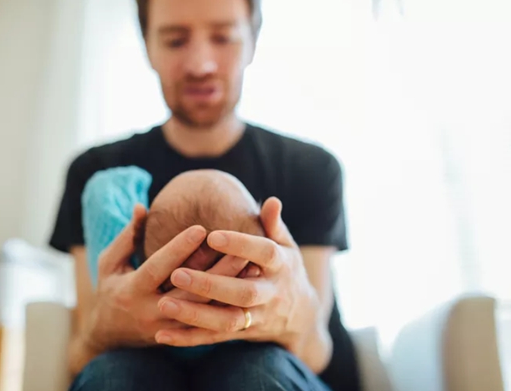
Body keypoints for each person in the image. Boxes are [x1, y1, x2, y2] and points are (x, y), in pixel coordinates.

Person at [49, 0, 362, 390]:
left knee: (260, 373)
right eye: (176, 40)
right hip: (134, 372)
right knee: (111, 375)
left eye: (223, 37)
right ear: (147, 46)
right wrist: (104, 329)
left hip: (278, 371)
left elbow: (316, 353)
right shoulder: (97, 174)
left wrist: (295, 317)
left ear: (252, 41)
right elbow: (82, 355)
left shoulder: (310, 169)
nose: (201, 65)